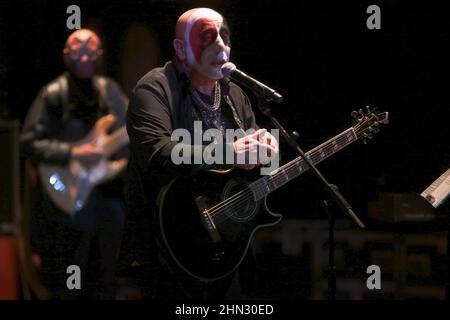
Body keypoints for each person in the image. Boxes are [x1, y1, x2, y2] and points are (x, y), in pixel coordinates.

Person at [122, 8, 279, 299]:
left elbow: (255, 167)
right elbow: (158, 153)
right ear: (180, 48)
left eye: (225, 36)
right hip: (168, 249)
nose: (220, 45)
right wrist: (229, 152)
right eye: (207, 37)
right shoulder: (155, 87)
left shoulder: (235, 95)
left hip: (227, 247)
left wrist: (268, 151)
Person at [20, 29, 128, 299]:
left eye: (91, 44)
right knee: (69, 278)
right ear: (66, 55)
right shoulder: (54, 93)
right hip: (66, 203)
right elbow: (29, 143)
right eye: (76, 45)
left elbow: (132, 128)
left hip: (105, 198)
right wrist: (74, 152)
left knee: (107, 275)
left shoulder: (109, 91)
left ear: (100, 54)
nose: (84, 49)